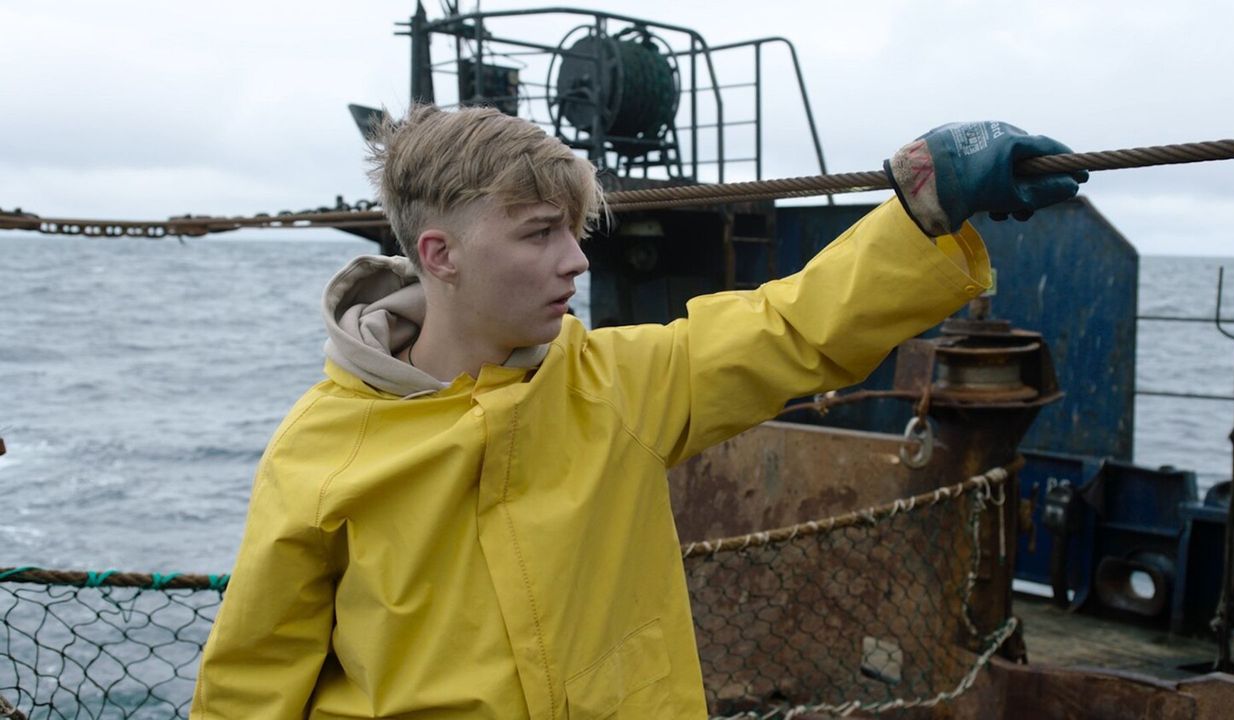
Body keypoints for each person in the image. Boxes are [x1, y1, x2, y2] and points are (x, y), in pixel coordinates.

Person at [191, 105, 1084, 719]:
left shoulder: (618, 386)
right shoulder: (322, 445)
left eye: (573, 230)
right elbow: (254, 677)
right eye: (539, 232)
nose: (575, 260)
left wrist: (924, 207)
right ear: (441, 253)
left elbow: (792, 328)